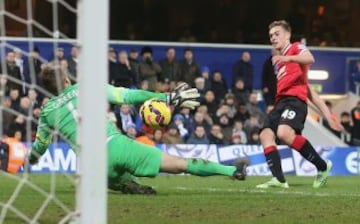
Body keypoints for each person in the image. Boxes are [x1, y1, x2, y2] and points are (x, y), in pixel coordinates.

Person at [26, 64, 248, 194]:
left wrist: (33, 159)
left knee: (111, 178)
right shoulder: (87, 87)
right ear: (65, 79)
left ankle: (126, 184)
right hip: (115, 145)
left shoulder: (47, 112)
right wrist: (167, 97)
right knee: (181, 164)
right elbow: (131, 96)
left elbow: (40, 146)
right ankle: (232, 171)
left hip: (93, 168)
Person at [256, 20, 343, 189]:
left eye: (277, 34)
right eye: (271, 36)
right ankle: (279, 180)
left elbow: (310, 58)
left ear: (287, 35)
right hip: (280, 102)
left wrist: (287, 57)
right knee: (265, 135)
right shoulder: (280, 62)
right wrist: (327, 114)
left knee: (283, 133)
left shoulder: (295, 49)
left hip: (295, 102)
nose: (273, 38)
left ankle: (323, 167)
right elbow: (309, 89)